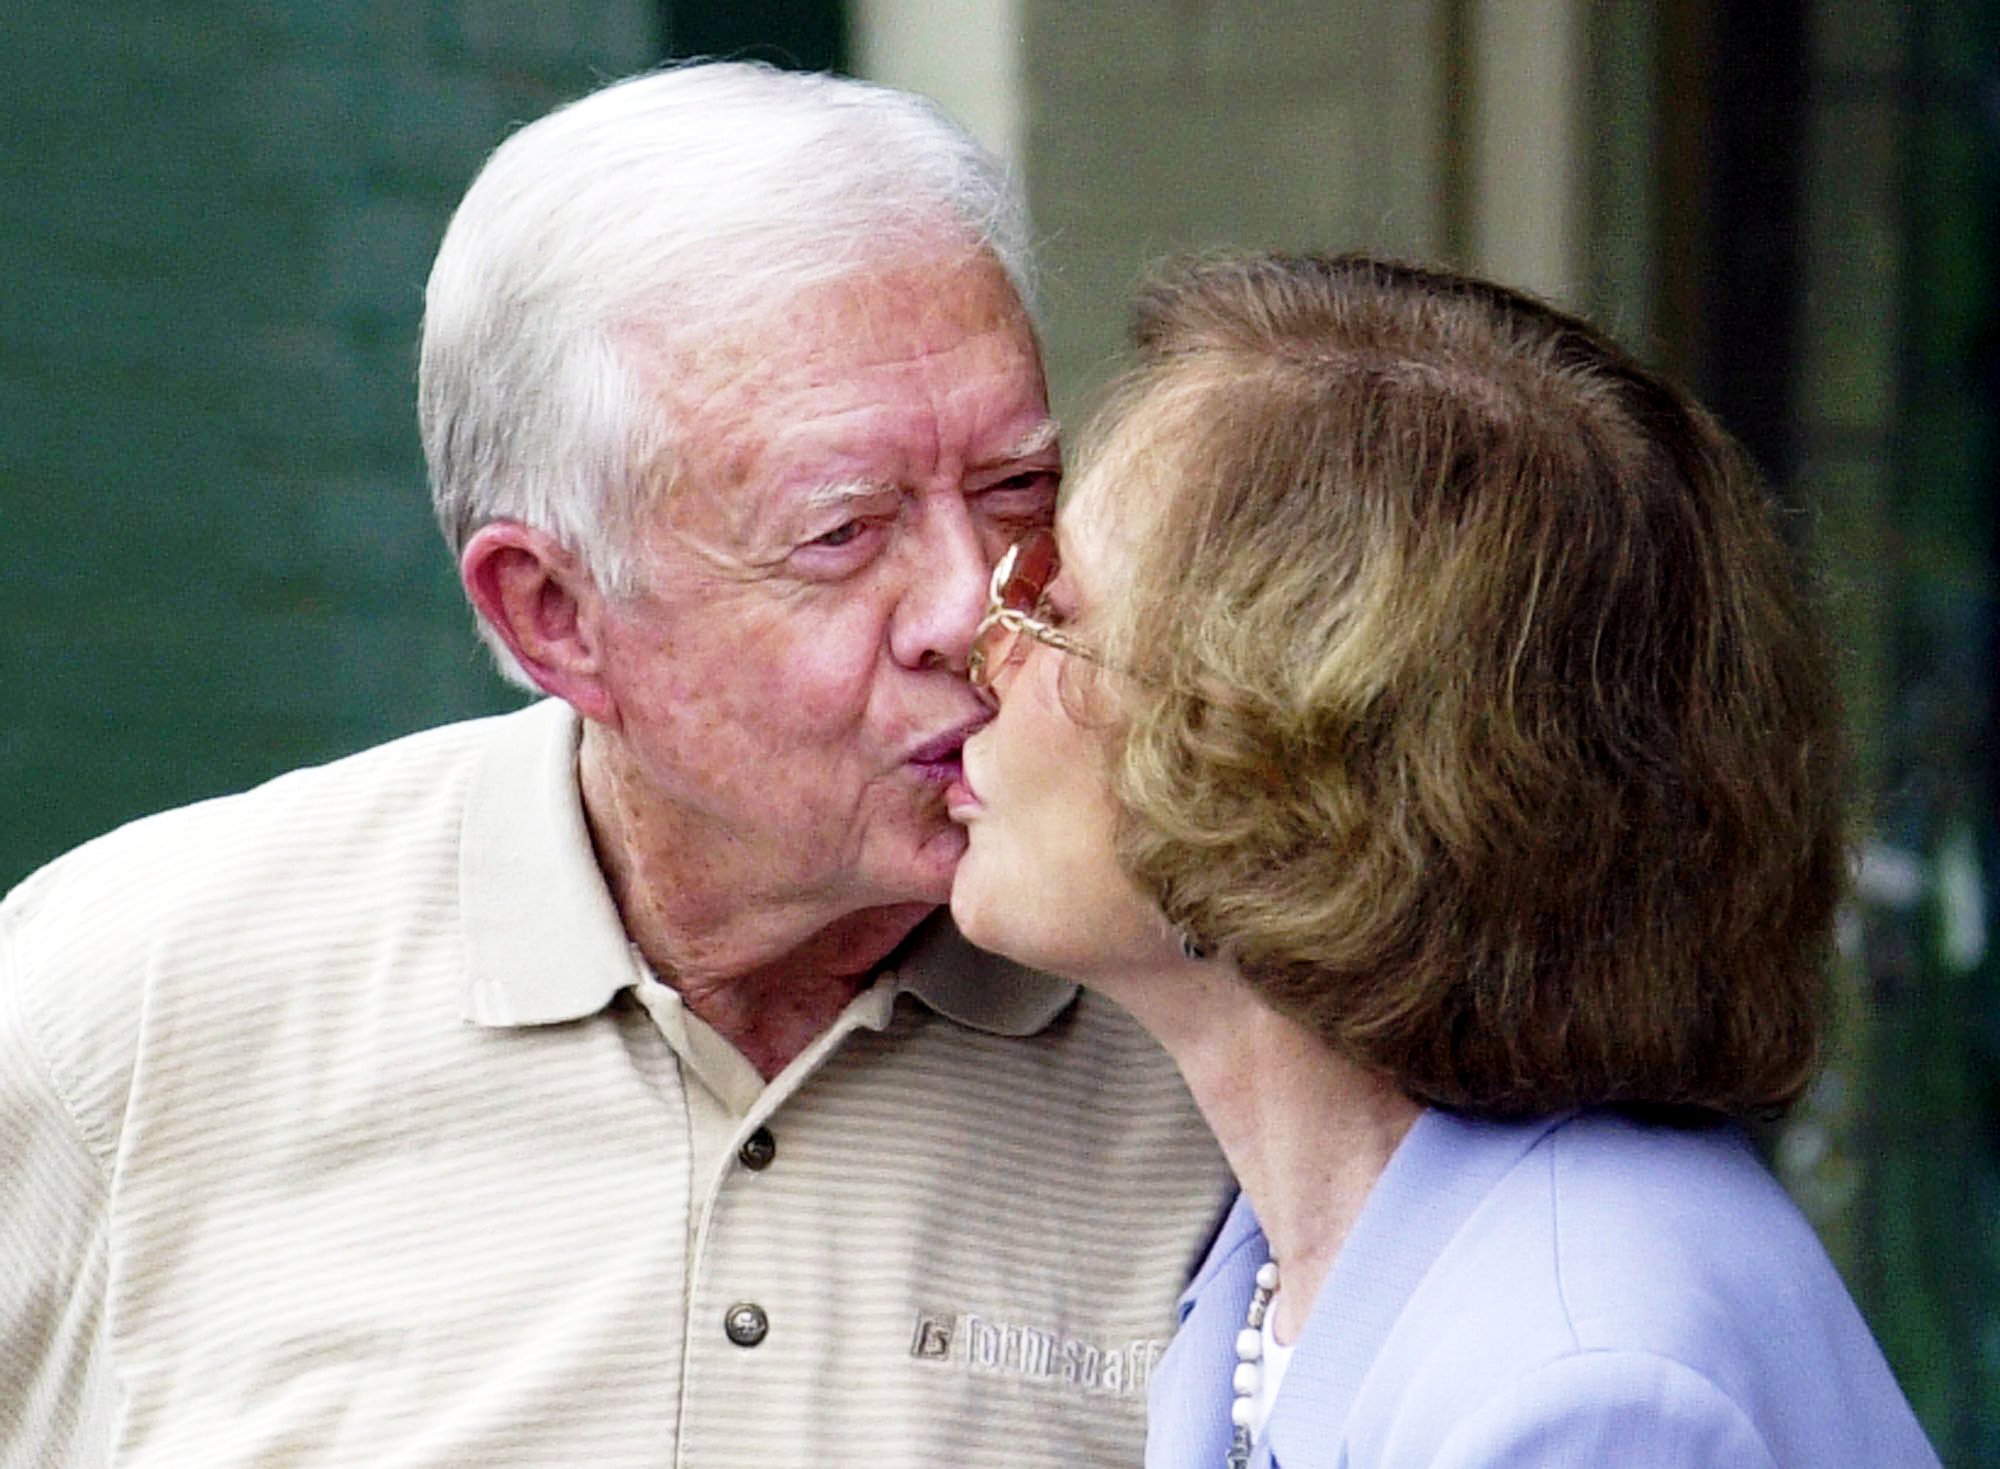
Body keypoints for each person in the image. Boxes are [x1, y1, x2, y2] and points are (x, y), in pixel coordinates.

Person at [0, 64, 1231, 1467]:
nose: (977, 602)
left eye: (1018, 489)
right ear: (554, 615)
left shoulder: (1230, 1018)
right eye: (840, 533)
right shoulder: (126, 1011)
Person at [947, 251, 1940, 1467]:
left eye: (1053, 607)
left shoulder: (1581, 1387)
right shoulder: (1308, 1262)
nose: (983, 654)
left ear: (1293, 753)